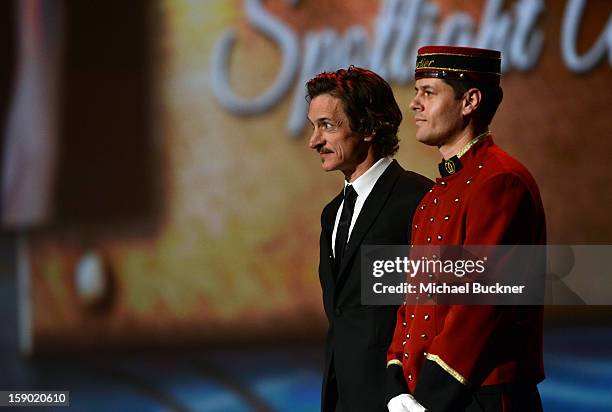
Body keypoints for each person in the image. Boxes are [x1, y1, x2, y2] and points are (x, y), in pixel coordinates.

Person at [385, 46, 547, 411]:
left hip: (478, 396)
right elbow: (413, 300)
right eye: (417, 91)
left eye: (428, 91)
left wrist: (429, 398)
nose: (415, 104)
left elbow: (482, 306)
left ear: (470, 100)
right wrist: (396, 380)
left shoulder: (500, 181)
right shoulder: (437, 192)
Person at [307, 66, 432, 412]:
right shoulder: (331, 214)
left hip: (399, 400)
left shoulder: (418, 199)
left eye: (327, 126)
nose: (314, 141)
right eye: (313, 126)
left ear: (368, 127)